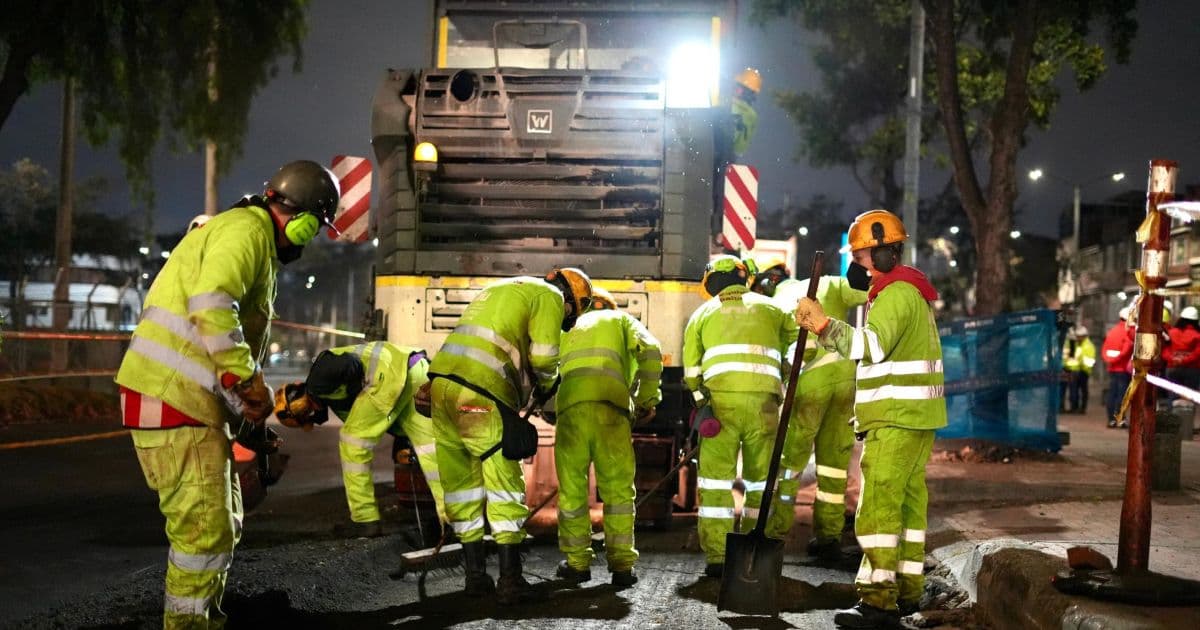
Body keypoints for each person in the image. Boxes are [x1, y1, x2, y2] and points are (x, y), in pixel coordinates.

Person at [116, 160, 339, 628]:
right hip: (172, 398)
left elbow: (218, 350)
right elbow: (213, 304)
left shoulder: (246, 236)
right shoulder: (246, 232)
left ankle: (202, 620)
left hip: (182, 399)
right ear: (299, 219)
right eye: (313, 227)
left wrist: (248, 424)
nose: (309, 237)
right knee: (203, 531)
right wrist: (244, 381)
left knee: (221, 524)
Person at [794, 209, 947, 629]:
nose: (855, 267)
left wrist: (823, 324)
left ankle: (879, 602)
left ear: (881, 255)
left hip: (896, 420)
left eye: (860, 258)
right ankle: (908, 592)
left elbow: (870, 346)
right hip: (914, 418)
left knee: (878, 509)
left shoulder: (896, 293)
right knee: (908, 507)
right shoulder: (907, 291)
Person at [427, 268, 592, 605]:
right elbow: (545, 355)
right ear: (571, 304)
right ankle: (510, 581)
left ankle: (475, 578)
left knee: (462, 488)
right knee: (504, 485)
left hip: (441, 385)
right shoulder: (551, 296)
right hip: (480, 392)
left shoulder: (500, 288)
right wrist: (548, 383)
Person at [683, 255, 798, 578]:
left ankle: (719, 558)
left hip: (719, 409)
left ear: (711, 283)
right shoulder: (772, 310)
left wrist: (700, 399)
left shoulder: (702, 315)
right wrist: (784, 373)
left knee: (715, 481)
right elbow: (805, 346)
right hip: (764, 405)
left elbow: (692, 370)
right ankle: (755, 549)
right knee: (762, 481)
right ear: (742, 277)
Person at [754, 262, 869, 564]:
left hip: (807, 386)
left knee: (790, 462)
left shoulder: (773, 304)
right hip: (845, 382)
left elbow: (777, 354)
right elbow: (862, 291)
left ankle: (776, 533)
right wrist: (860, 268)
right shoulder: (828, 284)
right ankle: (829, 538)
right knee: (833, 465)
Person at [275, 341, 447, 538]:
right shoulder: (330, 397)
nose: (312, 416)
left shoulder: (317, 379)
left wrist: (359, 388)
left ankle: (365, 520)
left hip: (390, 376)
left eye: (306, 415)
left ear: (298, 401)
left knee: (352, 442)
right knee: (432, 453)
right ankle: (454, 521)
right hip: (415, 372)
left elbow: (351, 365)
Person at [552, 288, 663, 588]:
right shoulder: (621, 320)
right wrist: (646, 400)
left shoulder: (568, 329)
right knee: (617, 492)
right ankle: (622, 567)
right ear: (609, 306)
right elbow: (651, 350)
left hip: (571, 412)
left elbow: (546, 369)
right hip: (612, 412)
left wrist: (552, 409)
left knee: (572, 491)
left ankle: (577, 565)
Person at [1101, 306, 1134, 428]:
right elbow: (1127, 349)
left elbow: (1104, 349)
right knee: (1122, 395)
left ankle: (1111, 420)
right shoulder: (1128, 331)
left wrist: (1110, 360)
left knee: (1112, 394)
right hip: (1123, 368)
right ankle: (1120, 419)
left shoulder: (1112, 331)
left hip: (1112, 368)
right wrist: (1118, 359)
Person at [1061, 326, 1096, 413]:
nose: (1078, 338)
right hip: (1074, 370)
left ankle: (1082, 408)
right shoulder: (1074, 343)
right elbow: (1070, 358)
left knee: (1083, 390)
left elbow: (1089, 361)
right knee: (1074, 390)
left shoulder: (1088, 346)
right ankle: (1074, 407)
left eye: (1080, 336)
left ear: (1084, 336)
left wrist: (1082, 364)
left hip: (1084, 371)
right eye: (1077, 336)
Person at [1166, 306, 1200, 394]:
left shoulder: (1171, 332)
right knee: (1190, 396)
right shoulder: (1197, 335)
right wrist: (1184, 360)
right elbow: (1197, 353)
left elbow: (1164, 350)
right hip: (1192, 369)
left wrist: (1173, 359)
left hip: (1173, 367)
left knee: (1173, 395)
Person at [731, 67, 761, 157]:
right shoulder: (753, 116)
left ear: (745, 91)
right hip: (728, 157)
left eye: (738, 87)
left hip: (713, 152)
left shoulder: (730, 105)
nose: (734, 89)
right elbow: (740, 148)